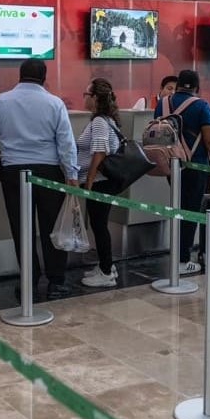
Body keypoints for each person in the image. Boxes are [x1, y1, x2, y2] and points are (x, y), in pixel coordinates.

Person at [0, 59, 78, 300]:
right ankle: (56, 282)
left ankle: (29, 281)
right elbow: (66, 142)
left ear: (20, 76)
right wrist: (72, 175)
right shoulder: (55, 103)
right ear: (44, 77)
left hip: (13, 172)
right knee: (51, 228)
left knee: (21, 227)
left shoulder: (2, 101)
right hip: (49, 172)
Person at [156, 69, 210, 274]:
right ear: (197, 88)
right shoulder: (201, 106)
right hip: (195, 166)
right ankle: (183, 261)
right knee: (190, 212)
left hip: (172, 165)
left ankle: (176, 254)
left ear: (177, 85)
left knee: (177, 208)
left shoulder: (163, 104)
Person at [78, 78, 122, 288]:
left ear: (95, 98)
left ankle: (106, 272)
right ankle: (107, 265)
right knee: (99, 224)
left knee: (99, 225)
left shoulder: (99, 121)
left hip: (101, 181)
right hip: (103, 181)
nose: (84, 98)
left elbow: (100, 152)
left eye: (86, 94)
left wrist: (89, 180)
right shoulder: (105, 120)